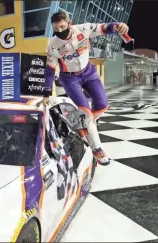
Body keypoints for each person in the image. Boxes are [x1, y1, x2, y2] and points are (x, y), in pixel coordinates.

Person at [45, 11, 129, 166]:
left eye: (62, 27)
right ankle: (97, 149)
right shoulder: (52, 44)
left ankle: (83, 126)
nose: (59, 31)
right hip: (69, 78)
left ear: (69, 22)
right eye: (56, 29)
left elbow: (105, 27)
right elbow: (50, 69)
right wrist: (45, 91)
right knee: (87, 113)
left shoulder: (84, 29)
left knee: (103, 105)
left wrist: (119, 26)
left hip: (89, 72)